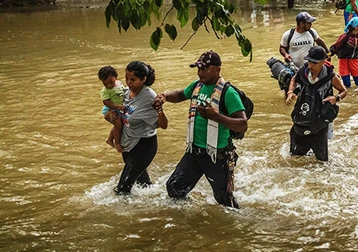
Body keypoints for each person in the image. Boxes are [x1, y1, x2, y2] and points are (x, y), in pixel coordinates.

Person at [158, 51, 248, 207]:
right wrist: (164, 96)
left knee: (225, 201)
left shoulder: (228, 93)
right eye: (198, 69)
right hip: (194, 152)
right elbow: (180, 95)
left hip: (216, 156)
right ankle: (188, 221)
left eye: (204, 69)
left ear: (217, 70)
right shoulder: (197, 86)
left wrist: (216, 116)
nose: (200, 73)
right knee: (174, 187)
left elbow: (242, 123)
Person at [285, 46, 348, 162]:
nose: (310, 65)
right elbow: (294, 79)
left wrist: (336, 98)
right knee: (295, 157)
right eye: (309, 61)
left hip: (320, 121)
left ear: (324, 61)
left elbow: (344, 91)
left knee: (322, 161)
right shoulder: (303, 71)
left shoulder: (331, 77)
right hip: (303, 116)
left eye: (314, 62)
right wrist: (290, 92)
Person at [115, 61, 167, 195]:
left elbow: (163, 125)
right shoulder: (126, 93)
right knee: (143, 185)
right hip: (128, 143)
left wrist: (159, 109)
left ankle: (125, 214)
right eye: (126, 78)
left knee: (122, 189)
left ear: (143, 79)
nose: (128, 82)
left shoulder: (149, 97)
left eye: (133, 79)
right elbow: (123, 116)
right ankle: (154, 205)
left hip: (143, 145)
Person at [98, 66, 126, 153]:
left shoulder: (120, 84)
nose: (109, 85)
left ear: (116, 77)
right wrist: (117, 107)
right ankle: (117, 143)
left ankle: (110, 139)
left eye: (111, 82)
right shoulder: (105, 91)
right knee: (118, 125)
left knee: (118, 125)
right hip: (110, 109)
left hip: (119, 109)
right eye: (105, 84)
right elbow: (106, 102)